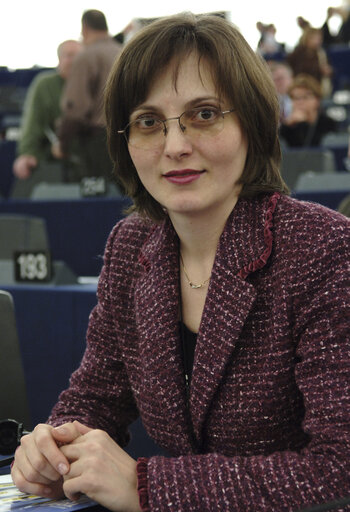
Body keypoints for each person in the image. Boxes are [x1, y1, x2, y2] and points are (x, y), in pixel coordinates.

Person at [11, 12, 350, 512]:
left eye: (205, 114)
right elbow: (98, 396)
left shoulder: (324, 248)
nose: (175, 146)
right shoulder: (132, 245)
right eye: (149, 122)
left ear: (253, 123)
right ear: (126, 141)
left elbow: (338, 470)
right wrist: (56, 448)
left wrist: (147, 487)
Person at [55, 9, 122, 182]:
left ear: (84, 28)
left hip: (99, 143)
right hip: (129, 134)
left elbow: (76, 107)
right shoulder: (123, 52)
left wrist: (63, 143)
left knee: (99, 199)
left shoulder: (86, 56)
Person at [11, 40, 81, 196]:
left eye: (79, 56)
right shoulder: (45, 85)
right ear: (59, 60)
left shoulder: (94, 84)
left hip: (90, 157)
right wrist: (27, 153)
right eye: (69, 56)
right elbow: (32, 125)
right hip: (52, 157)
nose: (74, 61)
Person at [279, 73, 337, 146]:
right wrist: (287, 126)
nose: (300, 102)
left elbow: (313, 149)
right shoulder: (287, 127)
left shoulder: (328, 123)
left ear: (317, 100)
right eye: (295, 98)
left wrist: (303, 124)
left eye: (305, 97)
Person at [287, 26, 333, 97]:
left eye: (319, 39)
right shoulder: (298, 53)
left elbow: (328, 69)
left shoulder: (321, 54)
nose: (317, 42)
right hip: (301, 88)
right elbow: (295, 70)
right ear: (307, 38)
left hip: (317, 89)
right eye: (314, 38)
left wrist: (328, 71)